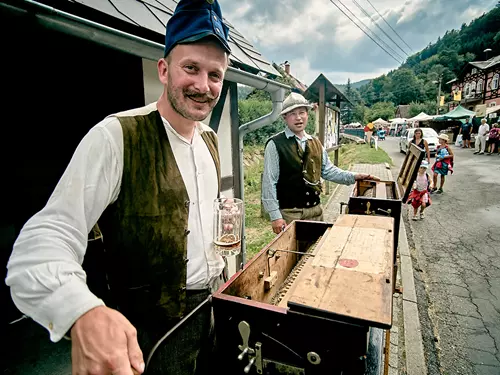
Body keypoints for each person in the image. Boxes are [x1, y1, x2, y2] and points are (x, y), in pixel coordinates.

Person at [5, 1, 232, 374]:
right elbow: (46, 237)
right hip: (151, 332)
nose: (203, 86)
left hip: (213, 307)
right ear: (164, 69)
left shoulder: (208, 138)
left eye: (215, 75)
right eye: (191, 68)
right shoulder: (116, 136)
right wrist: (82, 310)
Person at [262, 92, 379, 234]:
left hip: (316, 211)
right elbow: (269, 182)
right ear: (284, 117)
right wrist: (275, 216)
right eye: (292, 113)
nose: (298, 117)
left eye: (302, 112)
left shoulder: (315, 142)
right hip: (290, 214)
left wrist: (355, 176)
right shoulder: (275, 144)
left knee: (316, 253)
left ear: (307, 114)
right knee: (293, 256)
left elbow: (328, 171)